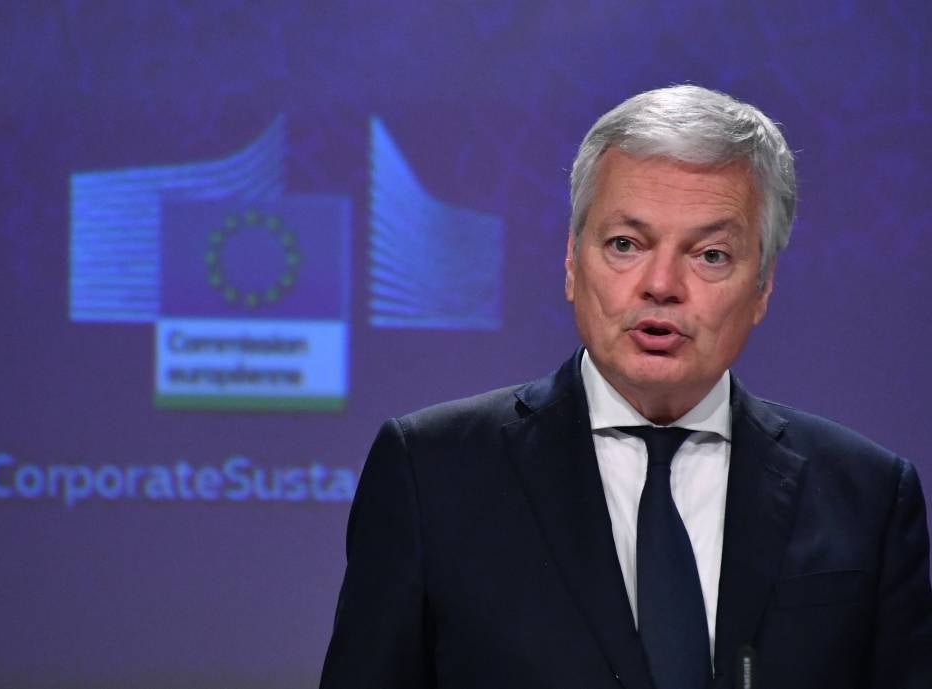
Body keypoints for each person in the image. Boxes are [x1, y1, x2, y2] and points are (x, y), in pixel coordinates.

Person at [318, 85, 932, 689]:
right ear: (570, 262)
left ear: (764, 286)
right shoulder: (432, 471)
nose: (661, 283)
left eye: (711, 255)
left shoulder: (868, 496)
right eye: (625, 244)